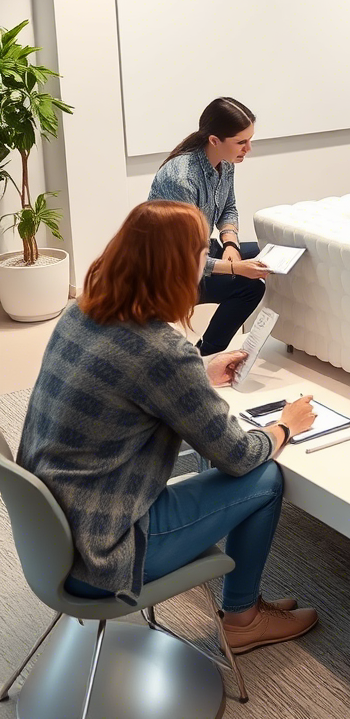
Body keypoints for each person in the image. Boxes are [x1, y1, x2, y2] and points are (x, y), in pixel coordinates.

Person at [17, 200, 320, 653]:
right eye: (202, 254)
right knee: (266, 476)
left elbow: (126, 377)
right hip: (106, 554)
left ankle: (244, 611)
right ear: (177, 267)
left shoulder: (80, 313)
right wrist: (285, 426)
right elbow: (238, 456)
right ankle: (243, 618)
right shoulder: (160, 350)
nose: (208, 264)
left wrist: (199, 367)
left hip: (55, 538)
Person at [149, 97, 269, 355]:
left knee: (268, 255)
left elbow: (229, 208)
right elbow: (185, 258)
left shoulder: (226, 163)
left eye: (250, 140)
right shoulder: (181, 179)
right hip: (173, 273)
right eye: (241, 142)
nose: (248, 148)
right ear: (214, 140)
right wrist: (235, 267)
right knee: (250, 287)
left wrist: (230, 244)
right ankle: (205, 355)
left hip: (201, 253)